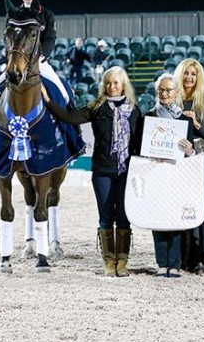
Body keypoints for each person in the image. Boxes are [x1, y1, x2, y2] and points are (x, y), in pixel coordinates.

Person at [41, 66, 141, 277]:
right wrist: (48, 101)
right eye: (108, 83)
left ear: (123, 85)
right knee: (105, 217)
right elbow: (69, 116)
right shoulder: (96, 107)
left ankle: (121, 261)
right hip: (102, 171)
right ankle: (108, 261)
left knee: (123, 217)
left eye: (116, 82)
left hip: (127, 172)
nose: (112, 86)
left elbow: (140, 142)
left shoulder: (134, 110)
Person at [136, 73, 195, 278]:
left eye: (168, 90)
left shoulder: (184, 119)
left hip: (176, 177)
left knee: (175, 221)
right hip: (155, 175)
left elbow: (191, 153)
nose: (164, 94)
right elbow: (140, 147)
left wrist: (190, 150)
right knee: (158, 219)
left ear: (176, 92)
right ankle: (162, 263)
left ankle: (174, 263)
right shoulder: (149, 117)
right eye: (161, 90)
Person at [0, 0, 70, 105]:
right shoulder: (13, 14)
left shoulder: (47, 15)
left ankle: (69, 125)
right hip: (17, 61)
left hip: (39, 62)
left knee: (65, 96)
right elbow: (9, 39)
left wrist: (42, 56)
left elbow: (50, 38)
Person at [174, 59, 204, 275]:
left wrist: (196, 124)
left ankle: (202, 257)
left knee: (201, 207)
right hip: (178, 162)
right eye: (186, 73)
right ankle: (182, 256)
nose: (189, 77)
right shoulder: (173, 102)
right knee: (181, 207)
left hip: (200, 161)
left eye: (193, 74)